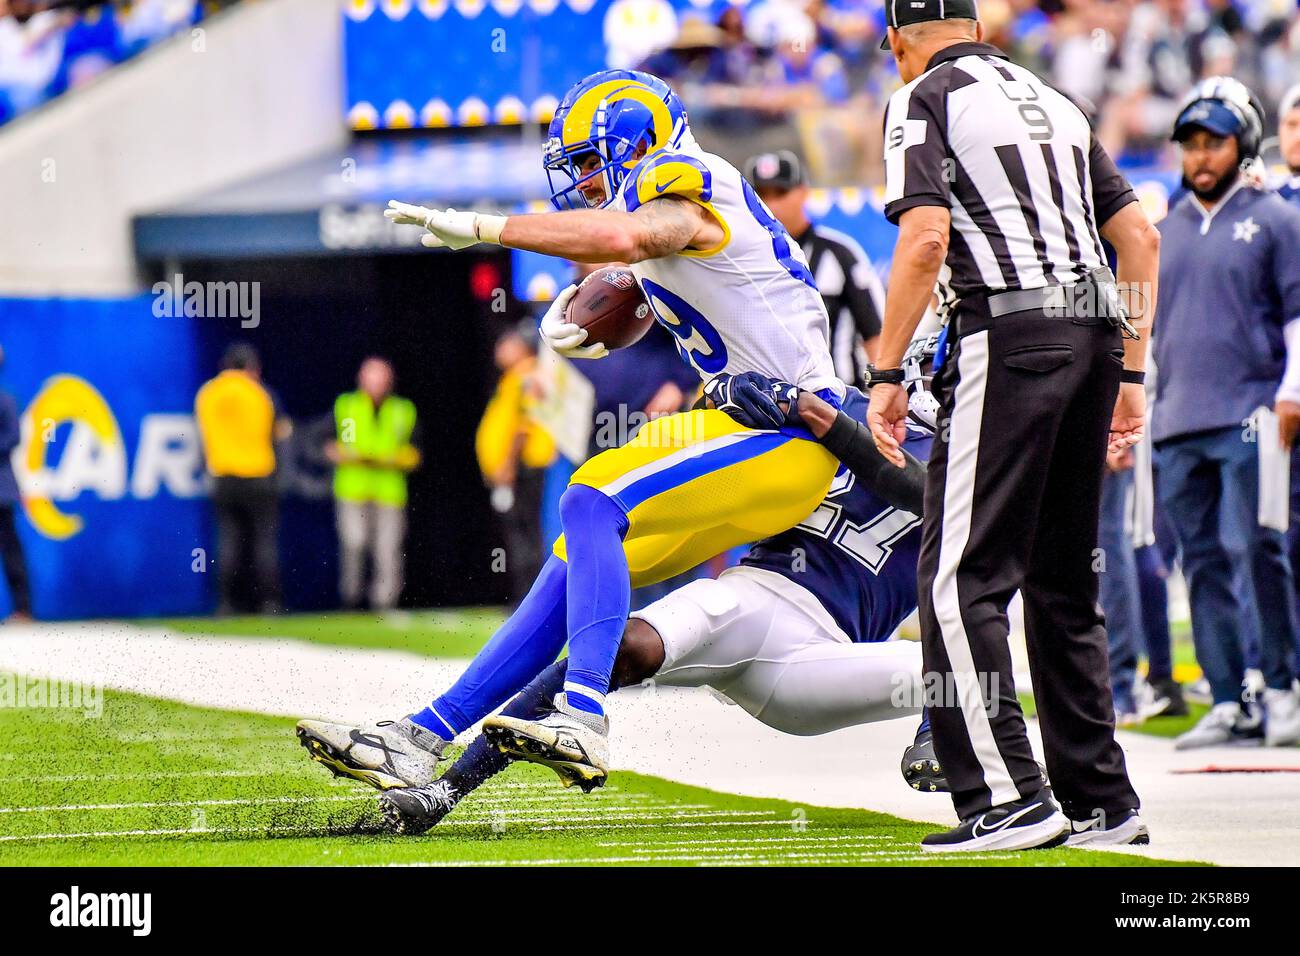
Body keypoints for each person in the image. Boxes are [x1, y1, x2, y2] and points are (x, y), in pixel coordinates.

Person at [297, 70, 845, 787]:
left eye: (589, 160)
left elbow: (632, 233)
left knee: (590, 498)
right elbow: (644, 266)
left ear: (639, 142)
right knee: (571, 560)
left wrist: (490, 229)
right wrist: (620, 300)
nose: (582, 179)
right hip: (752, 422)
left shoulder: (687, 183)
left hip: (792, 429)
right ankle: (418, 737)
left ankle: (582, 715)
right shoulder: (670, 216)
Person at [378, 360, 947, 835]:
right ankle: (445, 791)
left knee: (957, 674)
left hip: (825, 654)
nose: (917, 389)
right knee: (608, 655)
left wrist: (824, 419)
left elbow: (932, 501)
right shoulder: (841, 403)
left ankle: (966, 766)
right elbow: (721, 415)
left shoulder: (974, 470)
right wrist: (728, 390)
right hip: (745, 600)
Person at [866, 1, 1161, 852]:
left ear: (897, 40)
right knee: (1063, 585)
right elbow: (1137, 236)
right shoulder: (1054, 99)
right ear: (979, 27)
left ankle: (1008, 798)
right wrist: (1132, 372)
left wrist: (886, 374)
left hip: (1013, 332)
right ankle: (1104, 803)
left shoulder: (923, 96)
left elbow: (925, 241)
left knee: (959, 580)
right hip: (1097, 327)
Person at [1152, 77, 1300, 750]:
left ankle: (1282, 688)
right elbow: (1146, 334)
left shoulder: (1277, 219)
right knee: (1201, 562)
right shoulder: (1162, 233)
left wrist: (1292, 391)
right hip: (1178, 420)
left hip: (1254, 415)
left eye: (1214, 142)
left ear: (1241, 144)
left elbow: (1298, 319)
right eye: (1191, 144)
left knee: (1257, 550)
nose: (1200, 157)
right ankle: (1229, 696)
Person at [743, 149, 885, 385]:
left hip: (841, 400)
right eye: (762, 195)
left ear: (803, 192)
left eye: (781, 192)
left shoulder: (839, 253)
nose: (771, 204)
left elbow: (875, 332)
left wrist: (884, 386)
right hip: (767, 404)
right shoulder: (742, 258)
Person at [194, 343, 284, 615]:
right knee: (264, 542)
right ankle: (270, 603)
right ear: (252, 369)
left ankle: (225, 604)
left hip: (223, 476)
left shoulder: (208, 393)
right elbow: (277, 432)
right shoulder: (261, 393)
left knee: (228, 542)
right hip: (259, 474)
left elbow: (203, 434)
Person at [328, 357, 420, 612]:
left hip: (389, 490)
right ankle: (351, 601)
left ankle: (385, 603)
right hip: (353, 488)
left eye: (381, 378)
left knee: (388, 548)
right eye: (372, 377)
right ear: (361, 379)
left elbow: (416, 452)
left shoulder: (403, 409)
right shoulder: (346, 405)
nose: (377, 384)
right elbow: (326, 443)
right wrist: (340, 453)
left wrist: (391, 459)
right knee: (354, 543)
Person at [0, 344, 31, 622]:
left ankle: (23, 609)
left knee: (11, 551)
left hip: (2, 490)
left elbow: (13, 438)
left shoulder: (6, 400)